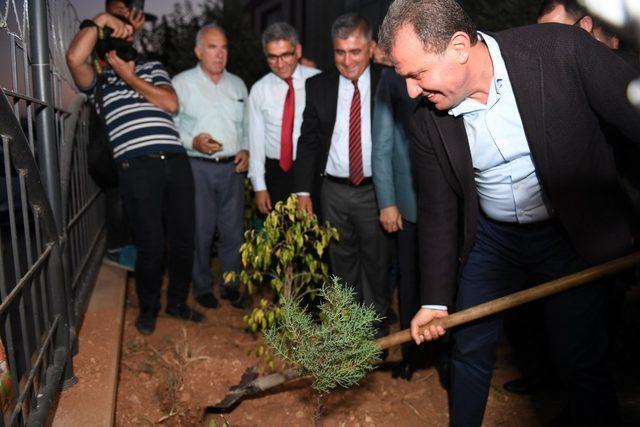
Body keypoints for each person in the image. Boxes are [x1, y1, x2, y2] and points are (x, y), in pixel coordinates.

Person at [379, 0, 640, 425]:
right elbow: (439, 210)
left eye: (417, 74)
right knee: (470, 347)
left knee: (580, 355)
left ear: (459, 47)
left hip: (565, 236)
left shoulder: (561, 52)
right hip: (493, 242)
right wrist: (435, 301)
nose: (411, 91)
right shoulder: (428, 119)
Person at [66, 0, 203, 335]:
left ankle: (177, 303)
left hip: (175, 160)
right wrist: (100, 18)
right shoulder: (98, 80)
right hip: (136, 167)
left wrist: (131, 76)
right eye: (110, 30)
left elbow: (170, 103)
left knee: (184, 238)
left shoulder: (151, 67)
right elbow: (73, 58)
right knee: (151, 243)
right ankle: (149, 309)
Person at [293, 13, 391, 337]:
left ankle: (375, 333)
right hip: (332, 191)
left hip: (375, 191)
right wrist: (303, 192)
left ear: (371, 48)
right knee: (341, 264)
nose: (347, 61)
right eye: (339, 52)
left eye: (355, 52)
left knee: (376, 264)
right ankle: (348, 330)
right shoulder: (317, 85)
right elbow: (307, 141)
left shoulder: (388, 82)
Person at [172, 24, 249, 310]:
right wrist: (193, 141)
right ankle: (202, 286)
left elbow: (246, 126)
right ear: (198, 51)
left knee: (233, 232)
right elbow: (170, 127)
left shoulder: (238, 84)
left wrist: (246, 149)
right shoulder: (180, 83)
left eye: (224, 47)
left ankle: (230, 285)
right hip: (196, 168)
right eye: (213, 47)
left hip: (232, 169)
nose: (220, 54)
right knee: (200, 232)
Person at [372, 67, 428, 378]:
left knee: (452, 282)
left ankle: (447, 357)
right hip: (409, 204)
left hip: (450, 202)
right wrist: (388, 200)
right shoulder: (392, 80)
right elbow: (382, 145)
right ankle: (411, 353)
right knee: (410, 283)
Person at [248, 22, 320, 214]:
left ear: (297, 50)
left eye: (285, 55)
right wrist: (259, 187)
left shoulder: (318, 81)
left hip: (313, 170)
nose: (280, 64)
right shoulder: (259, 90)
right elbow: (256, 142)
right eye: (272, 57)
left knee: (314, 237)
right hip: (276, 173)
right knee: (280, 239)